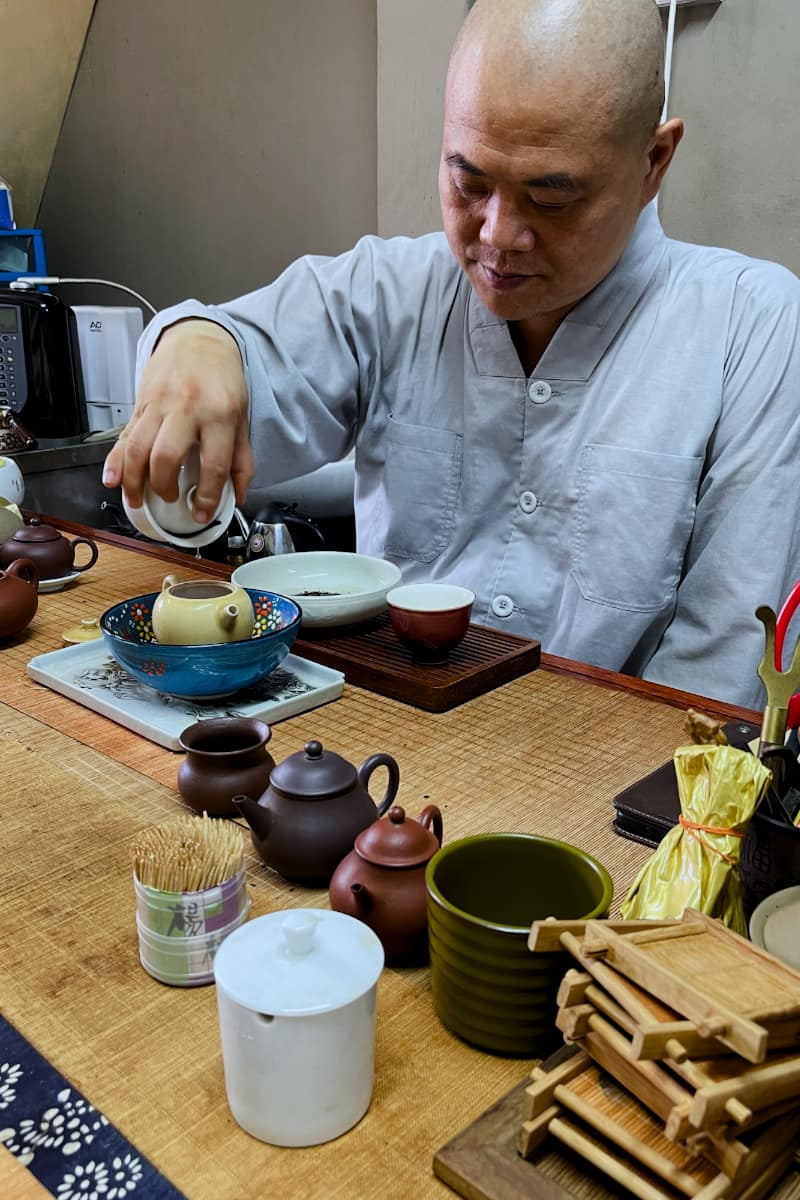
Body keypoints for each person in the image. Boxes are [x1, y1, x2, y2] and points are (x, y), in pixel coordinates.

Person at [103, 0, 800, 710]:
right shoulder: (390, 291)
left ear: (654, 162)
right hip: (384, 750)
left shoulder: (750, 327)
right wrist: (197, 340)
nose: (497, 236)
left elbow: (725, 668)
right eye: (469, 183)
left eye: (551, 199)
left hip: (617, 788)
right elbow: (236, 376)